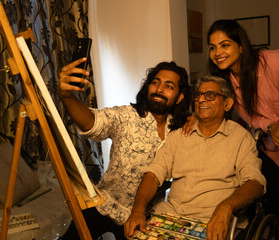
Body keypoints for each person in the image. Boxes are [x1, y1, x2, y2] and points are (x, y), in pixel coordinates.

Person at [205, 20, 279, 240]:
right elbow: (249, 115)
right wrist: (271, 126)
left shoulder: (277, 62)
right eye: (213, 47)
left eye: (224, 45)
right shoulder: (225, 81)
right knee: (267, 190)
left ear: (241, 46)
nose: (218, 52)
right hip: (271, 141)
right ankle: (276, 232)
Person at [58, 60, 191, 239]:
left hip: (144, 217)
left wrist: (196, 119)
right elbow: (93, 122)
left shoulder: (181, 130)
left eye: (169, 86)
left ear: (180, 97)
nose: (159, 89)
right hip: (104, 204)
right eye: (155, 82)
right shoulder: (126, 116)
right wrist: (66, 96)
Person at [125, 75, 266, 240]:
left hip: (211, 221)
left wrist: (225, 207)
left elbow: (255, 183)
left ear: (227, 104)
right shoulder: (178, 136)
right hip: (171, 217)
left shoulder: (240, 138)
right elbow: (153, 174)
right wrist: (137, 210)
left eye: (210, 95)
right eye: (198, 95)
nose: (201, 100)